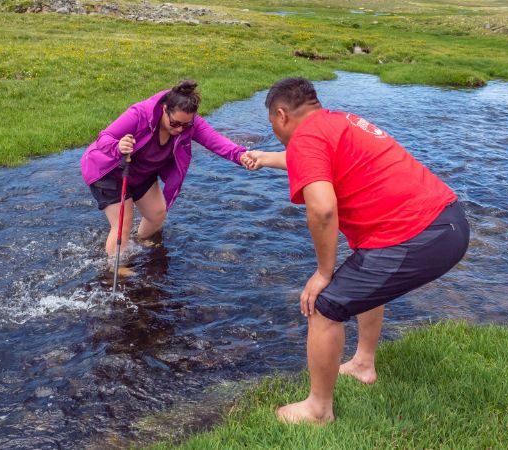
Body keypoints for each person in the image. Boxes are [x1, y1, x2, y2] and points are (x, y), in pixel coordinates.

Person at [244, 77, 470, 424]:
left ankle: (318, 409)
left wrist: (323, 272)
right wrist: (266, 158)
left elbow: (322, 209)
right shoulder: (337, 122)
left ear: (280, 114)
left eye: (272, 123)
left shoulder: (306, 138)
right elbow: (310, 160)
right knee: (363, 273)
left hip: (421, 234)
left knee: (324, 306)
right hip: (447, 221)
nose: (274, 129)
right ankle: (363, 364)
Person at [81, 80, 255, 258]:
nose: (180, 129)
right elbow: (104, 137)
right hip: (108, 170)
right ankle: (115, 270)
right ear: (164, 109)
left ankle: (137, 243)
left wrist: (241, 156)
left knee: (157, 214)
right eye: (175, 123)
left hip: (140, 172)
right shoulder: (140, 114)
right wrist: (118, 146)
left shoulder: (189, 123)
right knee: (123, 223)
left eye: (186, 125)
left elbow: (216, 142)